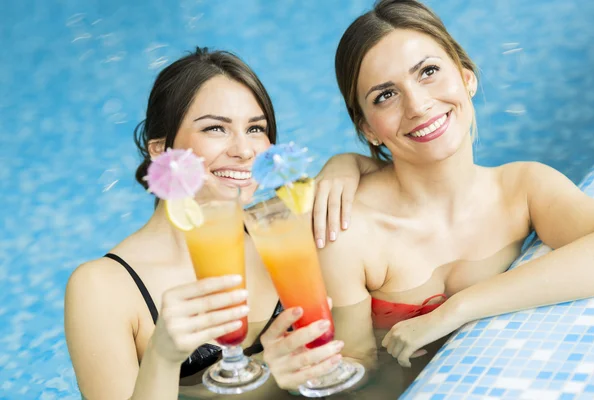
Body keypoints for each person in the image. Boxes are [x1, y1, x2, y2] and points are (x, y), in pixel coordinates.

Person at [317, 0, 594, 392]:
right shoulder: (349, 231)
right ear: (368, 128)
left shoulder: (522, 189)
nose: (417, 105)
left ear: (466, 77)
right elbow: (356, 373)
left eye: (429, 72)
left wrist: (457, 310)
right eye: (385, 95)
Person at [64, 47, 374, 400]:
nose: (244, 150)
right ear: (161, 150)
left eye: (255, 128)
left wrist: (345, 164)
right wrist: (163, 356)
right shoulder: (104, 288)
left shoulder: (283, 229)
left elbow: (396, 178)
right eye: (215, 128)